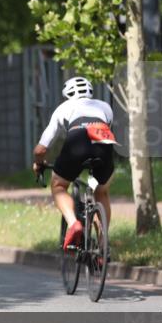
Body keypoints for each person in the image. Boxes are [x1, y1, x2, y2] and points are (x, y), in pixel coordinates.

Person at [32, 76, 116, 250]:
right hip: (103, 142)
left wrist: (38, 164)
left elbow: (41, 149)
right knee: (102, 191)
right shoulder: (104, 106)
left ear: (66, 94)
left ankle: (73, 224)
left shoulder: (63, 108)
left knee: (59, 186)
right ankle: (103, 245)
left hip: (77, 142)